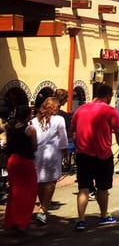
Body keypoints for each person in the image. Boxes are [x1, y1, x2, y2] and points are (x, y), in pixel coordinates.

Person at [70, 83, 119, 230]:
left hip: (83, 154)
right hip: (103, 154)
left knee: (83, 188)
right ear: (108, 96)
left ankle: (81, 220)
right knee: (103, 188)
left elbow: (73, 132)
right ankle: (103, 216)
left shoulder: (80, 110)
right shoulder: (110, 111)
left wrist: (79, 145)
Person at [31, 96, 69, 225]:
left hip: (37, 154)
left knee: (40, 182)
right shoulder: (59, 120)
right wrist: (66, 152)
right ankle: (43, 208)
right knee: (51, 182)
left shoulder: (34, 120)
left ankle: (43, 206)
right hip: (52, 154)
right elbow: (63, 138)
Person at [3, 105, 37, 233]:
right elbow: (34, 146)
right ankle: (21, 221)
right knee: (28, 191)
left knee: (14, 190)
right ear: (28, 115)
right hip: (25, 160)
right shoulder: (30, 129)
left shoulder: (10, 127)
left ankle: (10, 220)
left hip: (12, 160)